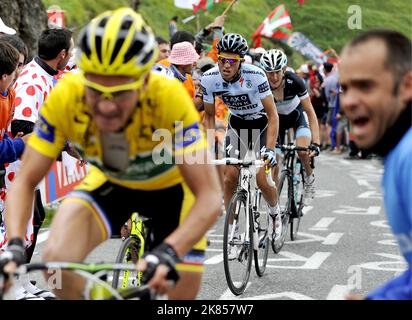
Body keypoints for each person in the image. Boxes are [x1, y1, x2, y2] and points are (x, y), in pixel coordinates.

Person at [0, 7, 221, 300]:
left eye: (120, 92)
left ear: (145, 81)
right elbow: (25, 181)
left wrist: (170, 250)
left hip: (172, 193)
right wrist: (14, 244)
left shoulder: (168, 98)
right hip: (113, 183)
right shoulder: (67, 95)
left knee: (177, 294)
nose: (106, 104)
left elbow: (208, 196)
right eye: (96, 88)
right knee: (56, 263)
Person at [339, 29, 412, 300]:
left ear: (406, 87)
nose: (348, 101)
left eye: (366, 86)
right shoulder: (397, 149)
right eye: (345, 88)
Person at [201, 33, 282, 248]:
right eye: (222, 60)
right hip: (237, 125)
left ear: (240, 62)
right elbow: (209, 115)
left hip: (262, 124)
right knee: (230, 176)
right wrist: (209, 148)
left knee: (262, 180)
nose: (225, 66)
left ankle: (274, 212)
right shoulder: (209, 78)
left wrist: (270, 150)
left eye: (231, 61)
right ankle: (233, 227)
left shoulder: (256, 75)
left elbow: (273, 115)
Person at [260, 49, 320, 207]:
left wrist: (317, 142)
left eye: (277, 72)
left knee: (302, 150)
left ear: (284, 70)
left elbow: (310, 113)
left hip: (297, 117)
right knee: (274, 159)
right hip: (277, 122)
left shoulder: (295, 81)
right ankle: (275, 200)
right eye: (269, 72)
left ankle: (309, 177)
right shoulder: (261, 83)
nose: (273, 77)